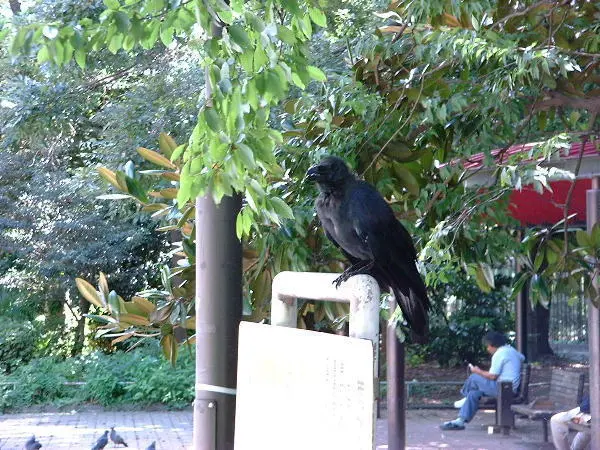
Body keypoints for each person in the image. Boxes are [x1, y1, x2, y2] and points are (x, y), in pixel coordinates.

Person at [440, 331, 525, 431]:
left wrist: (477, 371)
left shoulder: (500, 353)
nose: (487, 349)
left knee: (474, 377)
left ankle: (465, 396)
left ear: (492, 345)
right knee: (474, 394)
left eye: (487, 346)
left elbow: (492, 376)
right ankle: (460, 421)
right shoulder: (512, 351)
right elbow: (522, 358)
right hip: (508, 388)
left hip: (504, 389)